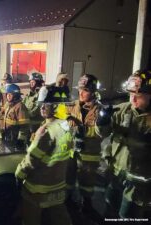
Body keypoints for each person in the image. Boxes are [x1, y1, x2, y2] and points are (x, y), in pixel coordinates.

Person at [96, 70, 151, 220]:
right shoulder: (121, 109)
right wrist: (102, 121)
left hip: (138, 182)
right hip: (116, 174)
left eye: (137, 94)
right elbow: (103, 133)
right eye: (130, 93)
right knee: (109, 210)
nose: (132, 98)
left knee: (128, 216)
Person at [15, 87, 73, 225]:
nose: (42, 108)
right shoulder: (65, 126)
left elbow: (32, 159)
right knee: (60, 218)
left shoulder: (45, 130)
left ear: (56, 106)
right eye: (41, 104)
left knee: (31, 218)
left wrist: (19, 174)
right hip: (58, 184)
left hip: (38, 187)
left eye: (46, 105)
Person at [65, 74, 103, 221]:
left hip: (89, 154)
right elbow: (60, 122)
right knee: (68, 179)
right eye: (80, 89)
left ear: (93, 91)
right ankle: (68, 201)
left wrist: (85, 131)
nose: (81, 93)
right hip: (71, 152)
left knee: (87, 183)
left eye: (85, 90)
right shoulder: (71, 106)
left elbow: (103, 133)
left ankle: (87, 205)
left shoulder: (100, 110)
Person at [3, 84, 29, 150]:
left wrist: (21, 140)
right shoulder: (9, 105)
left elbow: (24, 126)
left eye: (10, 94)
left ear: (15, 95)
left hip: (16, 139)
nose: (8, 96)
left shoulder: (20, 106)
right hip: (9, 137)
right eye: (7, 94)